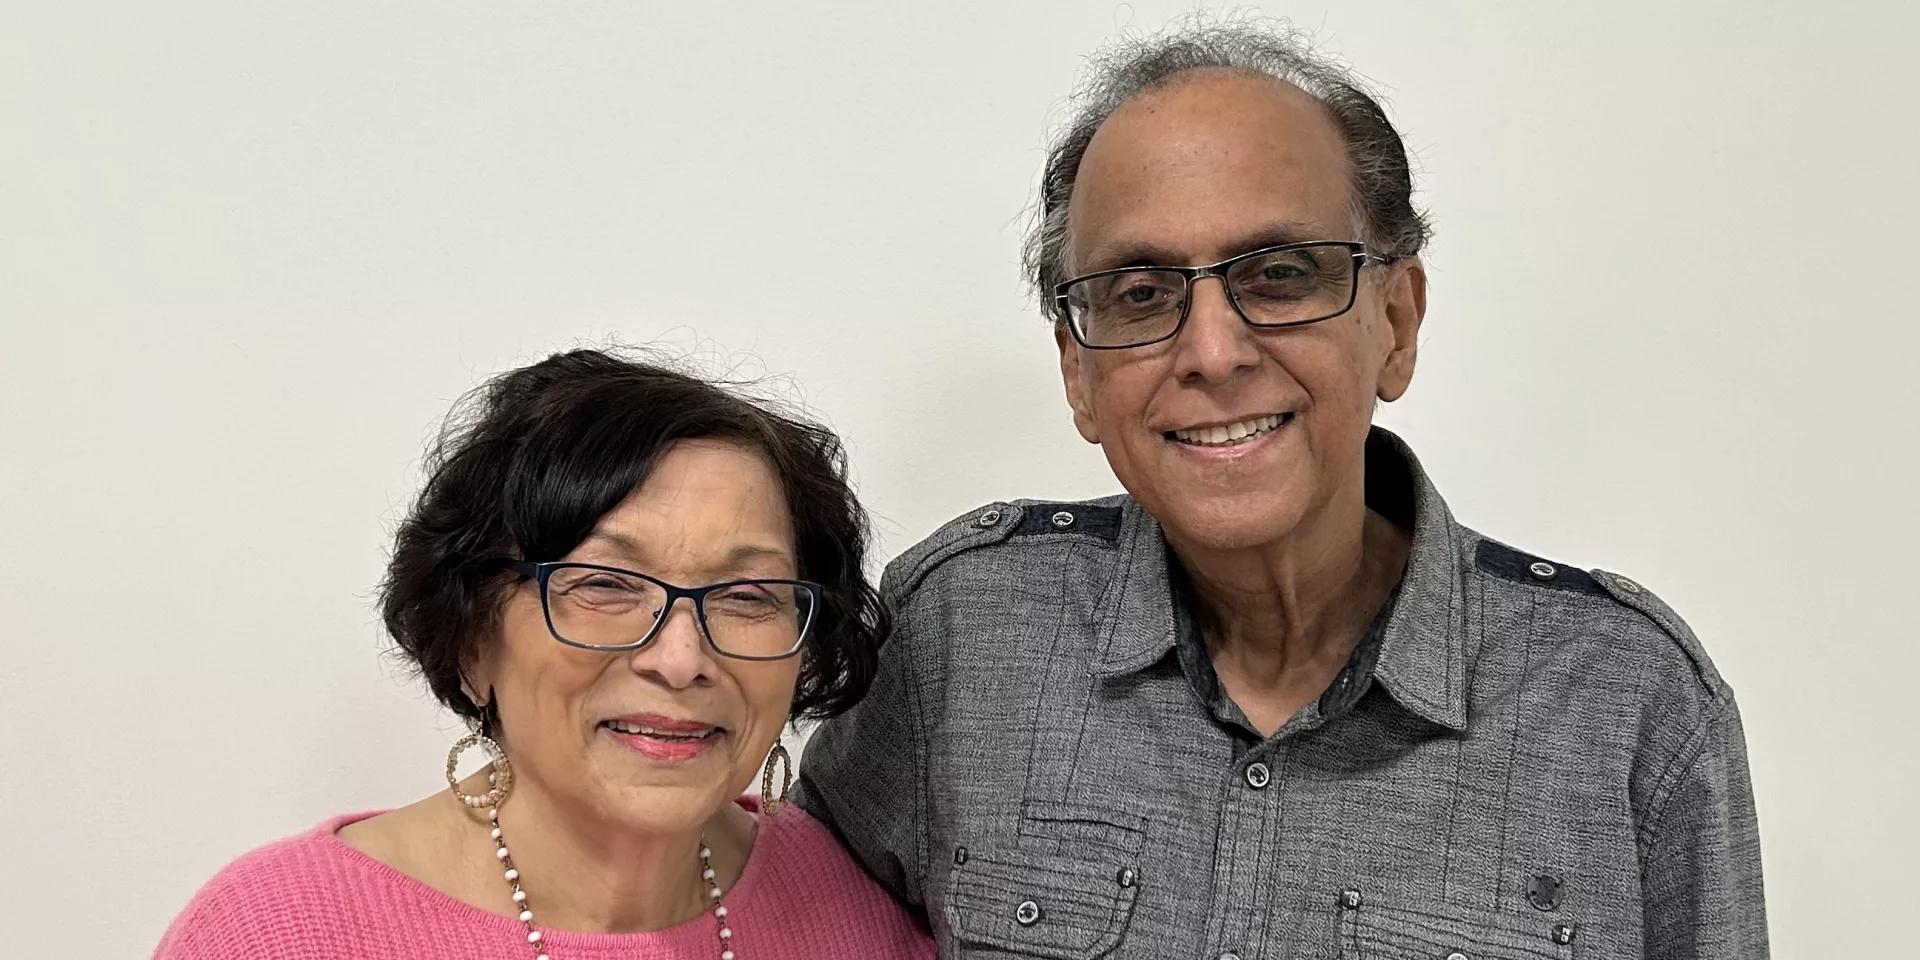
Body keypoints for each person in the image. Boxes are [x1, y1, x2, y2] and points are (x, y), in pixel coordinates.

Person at [797, 17, 1767, 960]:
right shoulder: (962, 633)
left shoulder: (1627, 705)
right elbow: (775, 916)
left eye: (1280, 274)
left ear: (1397, 322)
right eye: (1141, 293)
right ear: (1078, 372)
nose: (1213, 352)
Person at [155, 349, 933, 960]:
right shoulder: (278, 933)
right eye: (603, 585)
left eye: (747, 596)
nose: (680, 658)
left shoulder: (861, 910)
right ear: (471, 637)